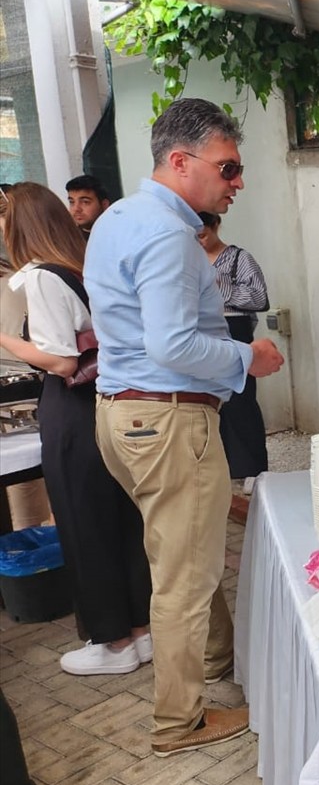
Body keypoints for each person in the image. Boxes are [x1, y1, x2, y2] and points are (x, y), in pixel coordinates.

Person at [86, 98, 285, 756]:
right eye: (228, 168)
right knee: (185, 577)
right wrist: (247, 358)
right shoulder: (169, 235)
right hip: (167, 419)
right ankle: (181, 721)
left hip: (125, 413)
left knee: (183, 552)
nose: (238, 182)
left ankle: (222, 662)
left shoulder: (118, 217)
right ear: (180, 162)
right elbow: (173, 345)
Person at [0, 182, 153, 676]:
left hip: (71, 407)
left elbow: (62, 361)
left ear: (19, 224)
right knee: (118, 519)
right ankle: (140, 631)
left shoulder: (40, 279)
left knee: (83, 524)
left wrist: (6, 340)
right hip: (104, 404)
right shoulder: (79, 270)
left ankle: (111, 642)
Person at [197, 211, 270, 487]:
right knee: (211, 403)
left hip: (235, 329)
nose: (199, 242)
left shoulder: (239, 258)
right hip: (202, 334)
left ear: (216, 226)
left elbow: (260, 297)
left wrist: (219, 286)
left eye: (203, 234)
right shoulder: (187, 259)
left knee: (241, 400)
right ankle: (222, 468)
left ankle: (252, 469)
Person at [65, 174, 110, 238]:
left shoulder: (118, 235)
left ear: (104, 205)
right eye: (72, 202)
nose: (76, 209)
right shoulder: (66, 239)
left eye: (85, 202)